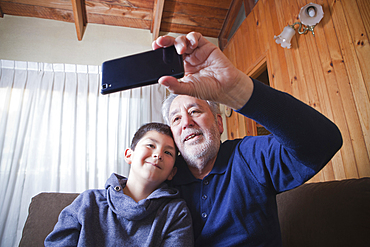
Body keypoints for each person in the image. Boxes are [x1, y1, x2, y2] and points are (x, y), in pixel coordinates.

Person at [153, 32, 343, 246]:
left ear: (219, 123)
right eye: (176, 118)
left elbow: (324, 142)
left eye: (195, 111)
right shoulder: (165, 176)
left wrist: (238, 90)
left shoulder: (248, 156)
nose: (186, 122)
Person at [44, 123, 194, 247]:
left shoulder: (176, 212)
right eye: (150, 145)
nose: (158, 154)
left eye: (168, 153)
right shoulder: (88, 201)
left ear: (172, 173)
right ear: (129, 155)